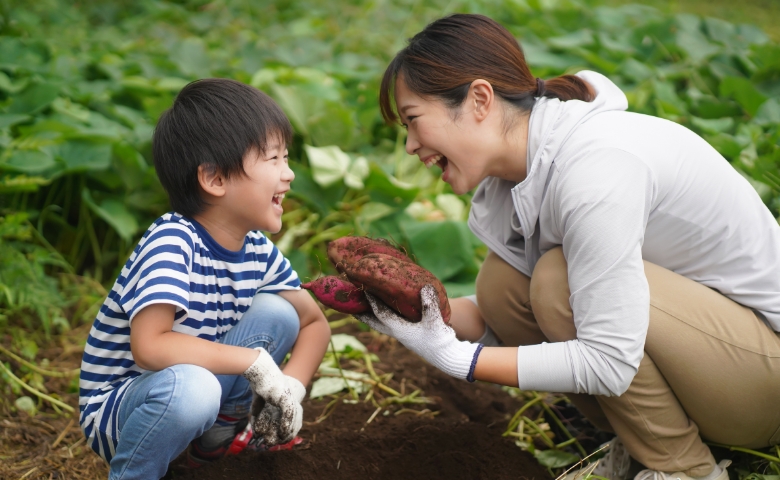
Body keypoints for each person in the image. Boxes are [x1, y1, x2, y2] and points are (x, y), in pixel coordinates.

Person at [360, 13, 780, 480]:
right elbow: (509, 314)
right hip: (716, 362)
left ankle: (685, 470)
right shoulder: (524, 171)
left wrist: (460, 360)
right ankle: (645, 442)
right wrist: (419, 315)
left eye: (415, 121)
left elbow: (608, 360)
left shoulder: (595, 168)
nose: (411, 145)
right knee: (503, 285)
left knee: (558, 283)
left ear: (480, 99)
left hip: (765, 382)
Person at [78, 78, 331, 480]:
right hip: (127, 408)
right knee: (194, 388)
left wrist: (292, 390)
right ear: (214, 179)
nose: (289, 175)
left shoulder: (257, 249)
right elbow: (149, 347)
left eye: (287, 157)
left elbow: (314, 323)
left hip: (198, 396)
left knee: (280, 313)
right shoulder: (172, 241)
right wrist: (256, 364)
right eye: (274, 159)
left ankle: (212, 444)